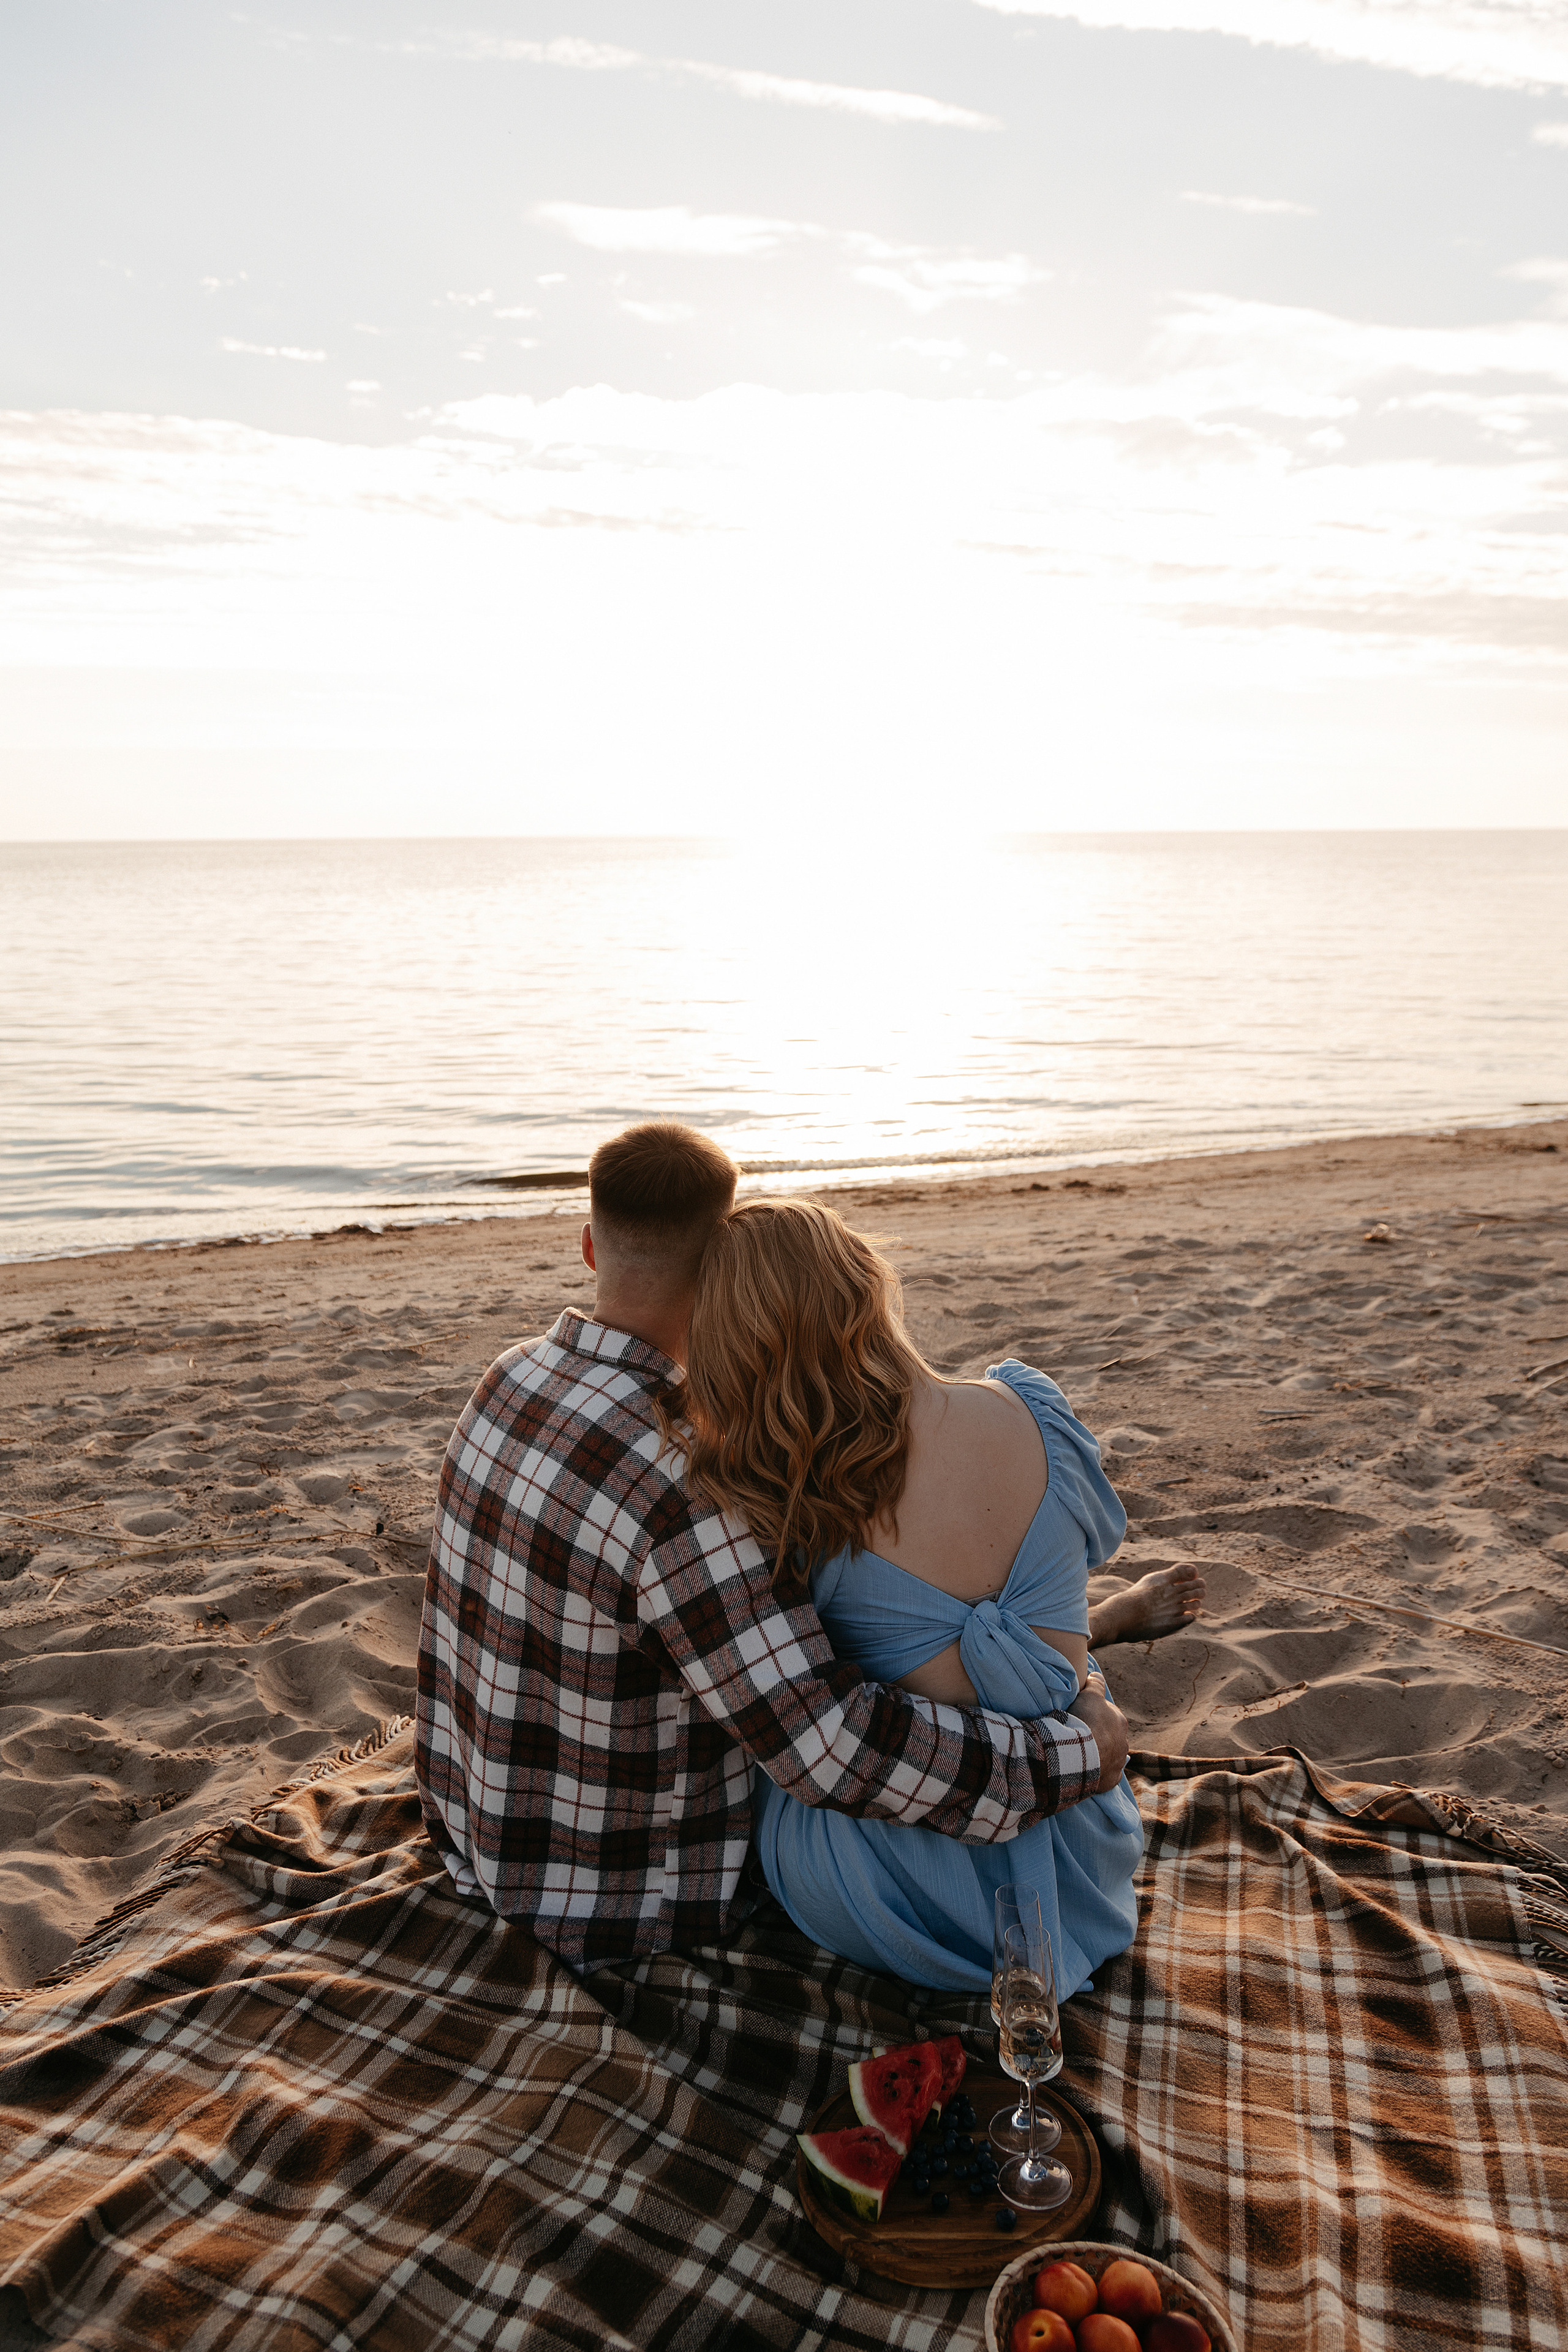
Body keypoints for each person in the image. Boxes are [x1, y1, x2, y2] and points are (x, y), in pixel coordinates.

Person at [415, 1120, 1135, 1972]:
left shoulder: (509, 1376)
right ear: (722, 1271)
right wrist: (1077, 1754)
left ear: (587, 1247)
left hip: (480, 1828)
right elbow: (829, 1750)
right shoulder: (683, 1479)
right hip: (620, 1897)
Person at [672, 1196, 1199, 1997]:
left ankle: (1089, 1648)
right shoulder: (1034, 1409)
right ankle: (1097, 1644)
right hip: (1082, 1861)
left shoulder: (791, 1502)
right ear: (868, 1285)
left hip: (896, 1896)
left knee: (779, 1724)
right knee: (1043, 1651)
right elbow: (1087, 1541)